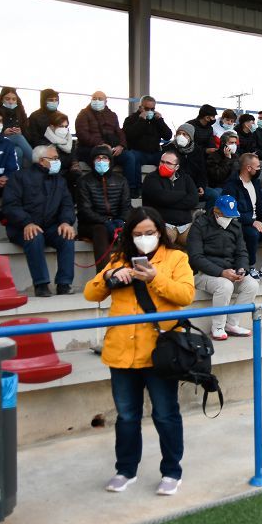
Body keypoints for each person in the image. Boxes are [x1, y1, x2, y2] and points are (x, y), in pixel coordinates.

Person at [83, 207, 194, 497]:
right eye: (138, 234)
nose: (145, 238)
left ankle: (172, 471)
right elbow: (90, 294)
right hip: (121, 352)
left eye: (150, 233)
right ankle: (125, 470)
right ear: (129, 236)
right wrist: (111, 276)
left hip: (160, 352)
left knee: (166, 414)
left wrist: (154, 278)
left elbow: (186, 295)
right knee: (127, 415)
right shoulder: (119, 259)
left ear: (160, 232)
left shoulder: (176, 258)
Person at [2, 145, 76, 297]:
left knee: (67, 236)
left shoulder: (60, 181)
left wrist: (65, 222)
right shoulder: (19, 177)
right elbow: (10, 206)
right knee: (34, 236)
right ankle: (41, 284)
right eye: (54, 159)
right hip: (21, 227)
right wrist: (27, 223)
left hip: (50, 227)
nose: (58, 161)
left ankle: (64, 283)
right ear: (42, 161)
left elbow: (67, 205)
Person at [186, 195, 258, 340]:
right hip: (202, 274)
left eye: (231, 216)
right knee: (225, 286)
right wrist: (221, 272)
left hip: (229, 271)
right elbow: (195, 258)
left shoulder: (235, 225)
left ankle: (232, 324)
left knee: (252, 284)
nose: (228, 219)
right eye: (225, 215)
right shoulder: (199, 225)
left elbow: (242, 252)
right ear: (216, 211)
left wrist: (242, 269)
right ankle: (218, 327)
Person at [78, 145, 132, 272]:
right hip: (91, 224)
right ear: (92, 161)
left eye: (104, 158)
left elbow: (126, 206)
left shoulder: (121, 181)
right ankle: (104, 274)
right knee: (101, 230)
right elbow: (85, 210)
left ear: (110, 161)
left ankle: (132, 271)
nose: (101, 161)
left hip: (116, 220)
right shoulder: (84, 181)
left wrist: (120, 221)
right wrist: (105, 221)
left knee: (134, 227)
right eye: (98, 158)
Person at [75, 91, 140, 196]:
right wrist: (101, 144)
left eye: (100, 99)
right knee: (102, 160)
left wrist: (121, 146)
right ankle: (102, 191)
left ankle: (129, 190)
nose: (97, 101)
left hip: (111, 149)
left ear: (106, 101)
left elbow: (120, 132)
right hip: (90, 148)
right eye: (94, 98)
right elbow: (82, 134)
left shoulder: (112, 115)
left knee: (129, 157)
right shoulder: (83, 114)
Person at [141, 149, 200, 238]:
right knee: (166, 241)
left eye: (168, 163)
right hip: (163, 224)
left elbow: (194, 200)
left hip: (185, 225)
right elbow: (161, 197)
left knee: (196, 242)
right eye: (162, 162)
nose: (163, 165)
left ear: (176, 167)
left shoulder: (186, 178)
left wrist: (168, 202)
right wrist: (183, 194)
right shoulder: (151, 178)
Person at [163, 123, 213, 207]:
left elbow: (202, 171)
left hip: (194, 185)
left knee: (213, 195)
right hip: (176, 185)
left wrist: (201, 186)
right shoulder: (169, 148)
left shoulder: (197, 150)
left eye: (184, 134)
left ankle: (207, 218)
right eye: (179, 133)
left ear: (190, 137)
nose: (181, 136)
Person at [122, 95, 173, 170]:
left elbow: (168, 136)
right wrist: (141, 120)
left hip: (155, 153)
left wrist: (160, 120)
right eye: (146, 109)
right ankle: (135, 182)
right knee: (133, 157)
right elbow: (129, 135)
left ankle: (166, 182)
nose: (149, 111)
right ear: (140, 107)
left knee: (170, 159)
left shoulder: (157, 120)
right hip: (138, 153)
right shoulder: (131, 119)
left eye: (152, 109)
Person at [0, 87, 32, 168]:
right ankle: (38, 162)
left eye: (13, 99)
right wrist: (3, 133)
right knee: (18, 138)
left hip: (12, 143)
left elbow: (28, 132)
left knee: (18, 151)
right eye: (7, 99)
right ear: (1, 99)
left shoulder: (20, 112)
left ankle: (14, 177)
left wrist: (21, 131)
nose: (11, 102)